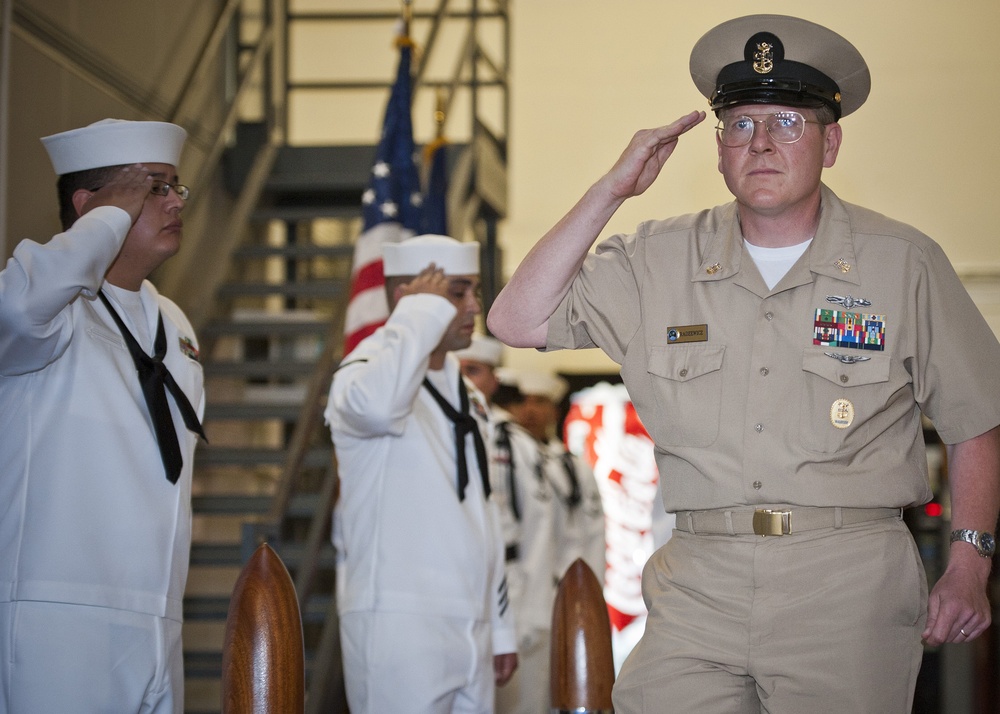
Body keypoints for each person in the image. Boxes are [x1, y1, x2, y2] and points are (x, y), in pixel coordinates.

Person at [487, 13, 1000, 713]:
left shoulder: (903, 263)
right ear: (720, 149)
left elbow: (977, 421)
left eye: (788, 122)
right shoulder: (656, 259)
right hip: (698, 578)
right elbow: (514, 319)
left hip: (846, 581)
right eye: (741, 125)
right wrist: (610, 190)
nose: (761, 143)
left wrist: (970, 562)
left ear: (832, 142)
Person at [0, 119, 204, 713]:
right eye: (150, 189)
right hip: (61, 614)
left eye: (175, 188)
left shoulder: (176, 324)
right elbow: (16, 312)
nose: (172, 203)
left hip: (158, 613)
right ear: (90, 207)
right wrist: (104, 221)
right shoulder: (54, 303)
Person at [325, 235, 517, 714]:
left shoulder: (466, 393)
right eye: (456, 292)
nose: (474, 305)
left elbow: (486, 513)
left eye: (474, 290)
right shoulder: (366, 372)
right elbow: (377, 408)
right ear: (404, 297)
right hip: (399, 620)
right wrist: (416, 316)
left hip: (470, 620)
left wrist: (500, 626)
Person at [456, 335, 557, 714]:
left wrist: (533, 613)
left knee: (516, 704)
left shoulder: (513, 443)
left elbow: (539, 531)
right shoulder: (428, 430)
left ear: (494, 381)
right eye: (456, 369)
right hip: (454, 594)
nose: (463, 379)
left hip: (511, 593)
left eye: (473, 371)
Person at [510, 371, 606, 585]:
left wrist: (591, 589)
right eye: (523, 402)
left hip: (562, 583)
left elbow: (593, 533)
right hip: (514, 584)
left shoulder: (576, 468)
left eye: (540, 402)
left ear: (555, 412)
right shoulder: (500, 461)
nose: (530, 410)